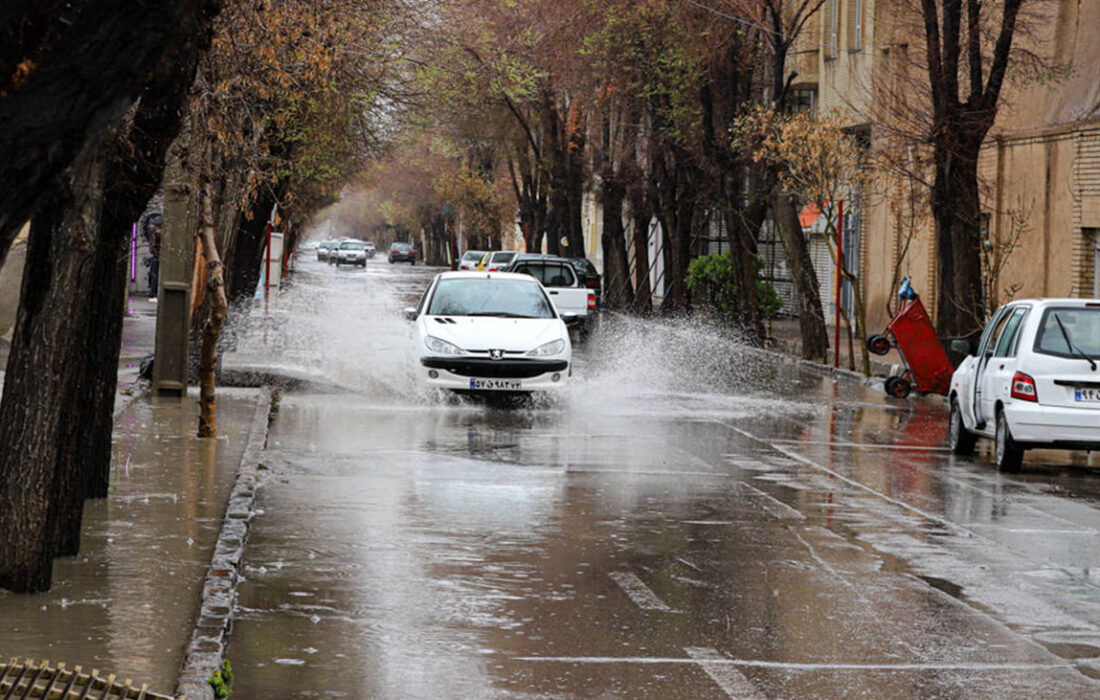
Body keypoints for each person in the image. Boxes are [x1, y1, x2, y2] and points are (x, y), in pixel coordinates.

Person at [145, 214, 162, 302]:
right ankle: (152, 294)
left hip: (157, 257)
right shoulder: (155, 236)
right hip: (157, 258)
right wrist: (158, 256)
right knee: (155, 276)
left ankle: (153, 294)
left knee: (155, 276)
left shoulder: (156, 236)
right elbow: (152, 248)